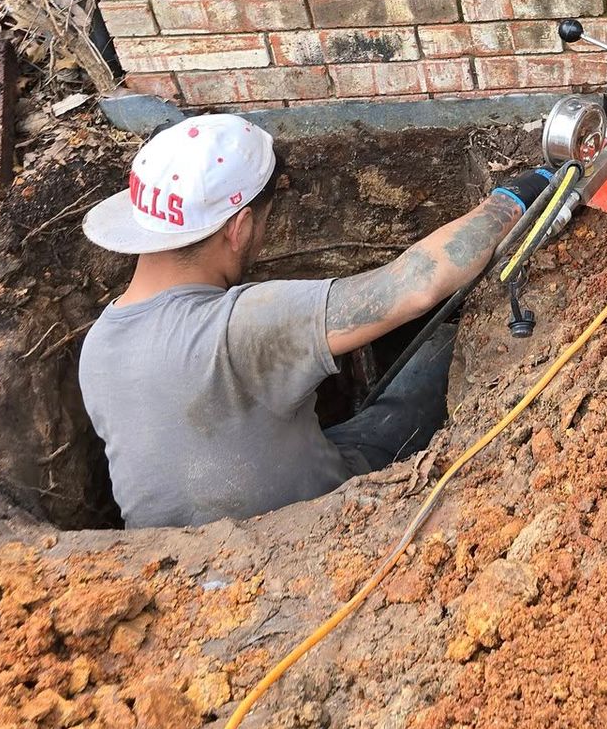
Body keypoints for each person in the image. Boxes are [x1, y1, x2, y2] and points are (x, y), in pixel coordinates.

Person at [77, 114, 549, 529]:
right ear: (238, 228)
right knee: (439, 353)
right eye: (262, 223)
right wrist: (521, 193)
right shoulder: (243, 327)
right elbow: (415, 285)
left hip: (170, 561)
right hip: (309, 525)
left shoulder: (97, 346)